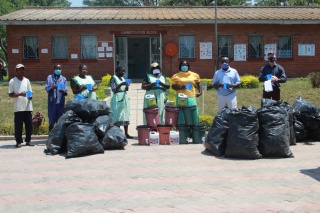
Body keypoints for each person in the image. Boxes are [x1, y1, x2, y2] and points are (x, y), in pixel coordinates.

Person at [8, 64, 34, 148]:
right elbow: (10, 94)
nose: (22, 71)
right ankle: (18, 141)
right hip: (18, 108)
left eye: (23, 69)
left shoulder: (27, 80)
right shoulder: (12, 81)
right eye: (20, 69)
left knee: (29, 125)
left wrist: (29, 96)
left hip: (27, 107)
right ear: (16, 70)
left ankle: (28, 140)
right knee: (18, 126)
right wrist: (20, 94)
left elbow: (29, 91)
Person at [110, 66, 133, 139]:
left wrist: (126, 85)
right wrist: (121, 84)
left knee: (125, 114)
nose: (123, 73)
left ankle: (126, 133)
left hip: (124, 97)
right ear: (117, 71)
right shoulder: (113, 78)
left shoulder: (123, 79)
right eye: (122, 71)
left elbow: (126, 89)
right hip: (117, 97)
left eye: (124, 71)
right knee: (118, 115)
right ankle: (118, 133)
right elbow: (114, 89)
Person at [45, 64, 68, 132]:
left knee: (60, 120)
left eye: (60, 69)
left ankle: (59, 137)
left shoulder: (63, 79)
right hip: (52, 102)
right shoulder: (49, 77)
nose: (58, 70)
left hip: (60, 103)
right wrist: (53, 87)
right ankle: (50, 136)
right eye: (57, 69)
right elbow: (47, 88)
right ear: (54, 69)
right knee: (51, 120)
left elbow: (66, 92)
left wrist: (62, 91)